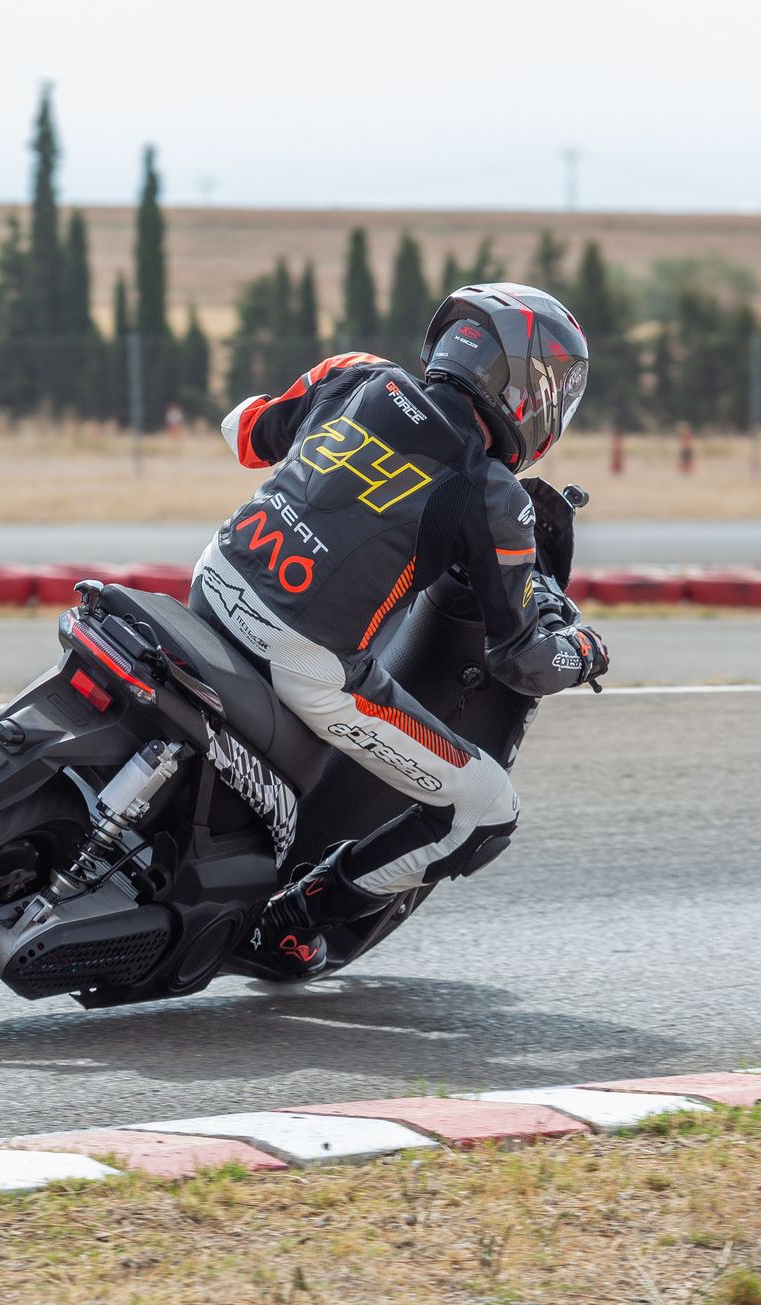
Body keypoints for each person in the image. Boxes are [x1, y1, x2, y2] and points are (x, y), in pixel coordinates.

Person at [193, 283, 609, 977]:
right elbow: (522, 661)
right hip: (306, 665)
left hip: (212, 582)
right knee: (487, 810)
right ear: (527, 394)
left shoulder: (354, 374)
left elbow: (245, 432)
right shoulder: (492, 494)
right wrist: (586, 651)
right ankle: (289, 922)